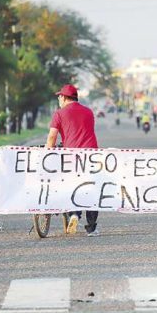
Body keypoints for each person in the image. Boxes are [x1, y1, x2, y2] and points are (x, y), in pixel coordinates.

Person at [46, 84, 100, 237]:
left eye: (59, 96)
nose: (58, 99)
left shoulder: (59, 114)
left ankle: (74, 213)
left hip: (71, 156)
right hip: (91, 155)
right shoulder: (89, 112)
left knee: (70, 185)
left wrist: (47, 152)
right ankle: (91, 228)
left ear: (63, 97)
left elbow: (52, 137)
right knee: (90, 188)